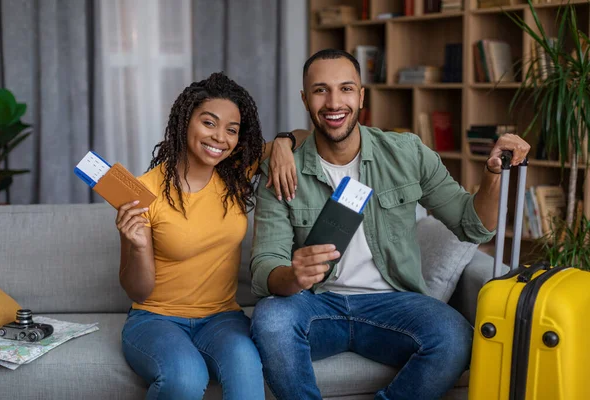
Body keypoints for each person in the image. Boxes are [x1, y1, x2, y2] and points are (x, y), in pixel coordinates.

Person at [249, 49, 531, 400]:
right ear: (305, 99)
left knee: (456, 335)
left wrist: (492, 175)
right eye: (321, 90)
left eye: (346, 88)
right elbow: (264, 265)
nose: (334, 102)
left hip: (394, 304)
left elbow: (471, 225)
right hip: (316, 304)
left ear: (361, 95)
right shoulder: (282, 170)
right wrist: (291, 276)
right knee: (271, 320)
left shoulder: (406, 153)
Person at [116, 71, 308, 400]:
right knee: (186, 377)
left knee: (247, 367)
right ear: (185, 122)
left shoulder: (235, 173)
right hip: (156, 319)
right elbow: (138, 289)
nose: (220, 137)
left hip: (221, 318)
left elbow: (305, 135)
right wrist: (135, 245)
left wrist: (283, 145)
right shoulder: (142, 191)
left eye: (231, 130)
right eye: (209, 123)